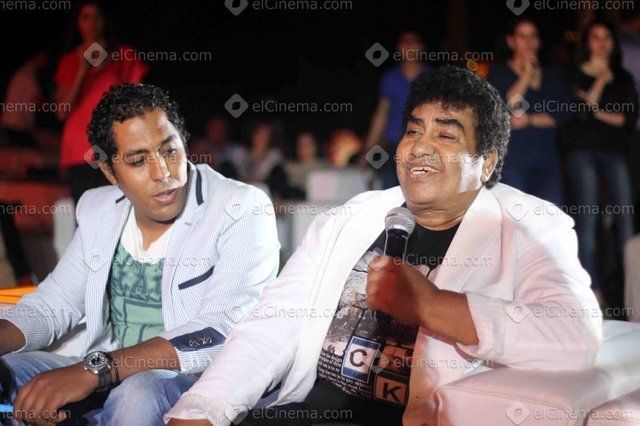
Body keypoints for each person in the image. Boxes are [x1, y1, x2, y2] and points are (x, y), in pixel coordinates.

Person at [166, 66, 602, 426]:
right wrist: (203, 410)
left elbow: (575, 334)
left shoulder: (528, 226)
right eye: (413, 131)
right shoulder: (355, 217)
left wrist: (432, 305)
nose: (420, 147)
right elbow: (272, 325)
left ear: (486, 162)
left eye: (446, 136)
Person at [0, 83, 280, 425]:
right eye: (137, 160)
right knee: (9, 371)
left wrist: (97, 369)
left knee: (140, 392)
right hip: (105, 372)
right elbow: (54, 304)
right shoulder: (98, 209)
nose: (162, 173)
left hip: (192, 381)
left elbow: (221, 329)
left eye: (170, 151)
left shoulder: (240, 207)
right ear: (109, 171)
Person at [565, 19, 639, 292]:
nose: (602, 43)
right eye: (596, 37)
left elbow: (628, 119)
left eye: (607, 37)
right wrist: (600, 82)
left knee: (625, 218)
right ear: (587, 42)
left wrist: (595, 109)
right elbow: (577, 113)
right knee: (588, 220)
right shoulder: (574, 73)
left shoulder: (623, 77)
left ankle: (631, 290)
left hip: (615, 152)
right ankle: (591, 292)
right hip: (582, 152)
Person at [55, 0, 148, 204]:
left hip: (116, 147)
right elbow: (62, 112)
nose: (92, 23)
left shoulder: (125, 56)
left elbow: (137, 102)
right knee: (87, 215)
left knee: (122, 211)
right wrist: (82, 70)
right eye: (85, 17)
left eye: (97, 16)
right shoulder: (70, 61)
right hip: (80, 151)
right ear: (78, 23)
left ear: (105, 20)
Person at [488, 17, 570, 206]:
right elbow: (510, 107)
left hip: (547, 160)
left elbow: (563, 113)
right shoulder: (499, 74)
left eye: (533, 36)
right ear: (511, 41)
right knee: (517, 216)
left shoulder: (552, 75)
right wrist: (526, 74)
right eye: (522, 36)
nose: (529, 42)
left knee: (551, 214)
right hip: (513, 161)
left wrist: (530, 119)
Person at [364, 31, 432, 189]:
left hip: (423, 143)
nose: (409, 47)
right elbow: (381, 114)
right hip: (394, 144)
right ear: (398, 48)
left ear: (421, 47)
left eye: (413, 42)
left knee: (421, 186)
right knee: (389, 184)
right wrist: (368, 149)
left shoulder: (431, 77)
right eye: (404, 43)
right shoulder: (390, 77)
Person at [283, 131, 328, 196]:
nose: (303, 147)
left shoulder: (325, 168)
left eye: (307, 144)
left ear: (315, 146)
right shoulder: (287, 168)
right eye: (300, 144)